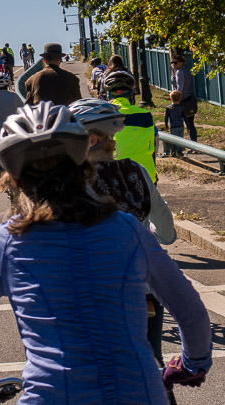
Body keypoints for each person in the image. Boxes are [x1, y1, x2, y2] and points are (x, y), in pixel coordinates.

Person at [0, 101, 212, 405]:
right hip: (139, 393)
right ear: (86, 168)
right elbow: (188, 308)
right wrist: (191, 365)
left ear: (14, 181)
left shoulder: (5, 242)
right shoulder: (127, 229)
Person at [69, 97, 177, 374]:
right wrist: (156, 235)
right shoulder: (137, 172)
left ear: (89, 139)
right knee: (152, 363)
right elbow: (166, 231)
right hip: (142, 288)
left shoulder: (70, 181)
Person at [103, 70, 159, 183]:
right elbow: (155, 144)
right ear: (131, 96)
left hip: (116, 179)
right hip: (146, 177)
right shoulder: (146, 115)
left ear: (108, 97)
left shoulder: (104, 117)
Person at [171, 55, 197, 142]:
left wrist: (176, 100)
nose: (173, 64)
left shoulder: (179, 72)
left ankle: (182, 144)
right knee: (190, 123)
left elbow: (180, 88)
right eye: (172, 62)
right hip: (189, 98)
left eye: (175, 62)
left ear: (181, 63)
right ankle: (194, 143)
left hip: (182, 101)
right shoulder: (185, 72)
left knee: (180, 124)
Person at [163, 90, 186, 157]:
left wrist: (166, 126)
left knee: (174, 140)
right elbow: (184, 117)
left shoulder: (169, 108)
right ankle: (180, 151)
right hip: (181, 126)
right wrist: (188, 126)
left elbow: (166, 117)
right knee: (181, 138)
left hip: (173, 126)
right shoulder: (181, 107)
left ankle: (174, 152)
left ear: (171, 98)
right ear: (180, 98)